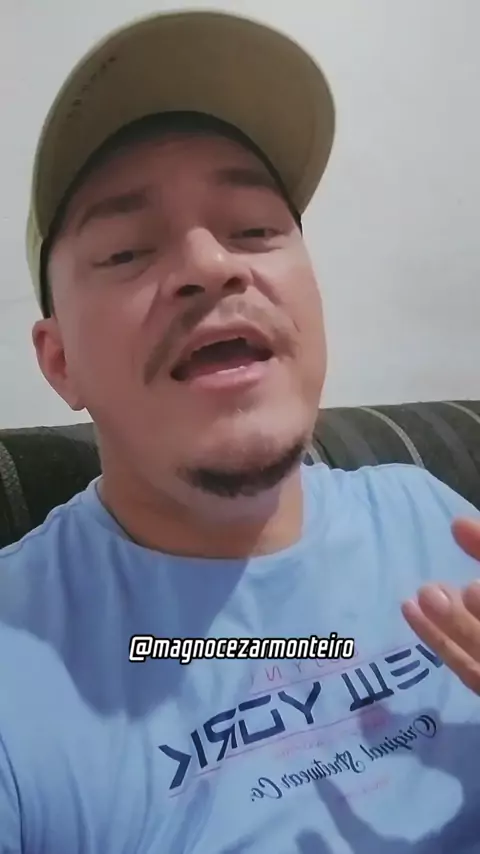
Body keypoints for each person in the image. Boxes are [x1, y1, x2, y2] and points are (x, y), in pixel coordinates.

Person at [1, 8, 480, 853]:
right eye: (127, 251)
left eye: (255, 229)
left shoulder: (430, 515)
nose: (212, 264)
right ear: (60, 360)